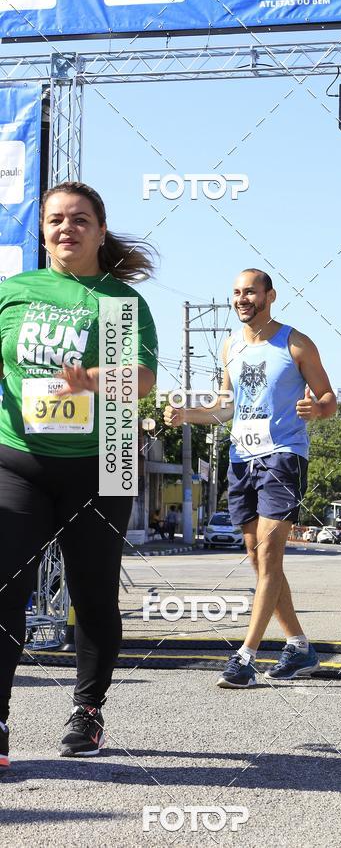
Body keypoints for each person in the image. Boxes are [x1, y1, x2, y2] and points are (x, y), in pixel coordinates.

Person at [0, 182, 158, 768]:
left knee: (93, 594)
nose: (67, 228)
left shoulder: (117, 300)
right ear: (42, 230)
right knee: (5, 588)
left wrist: (93, 379)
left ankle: (88, 709)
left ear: (100, 229)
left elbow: (142, 380)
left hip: (102, 460)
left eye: (80, 219)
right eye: (56, 220)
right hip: (19, 457)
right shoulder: (14, 292)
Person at [165, 268, 336, 688]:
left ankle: (245, 657)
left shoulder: (295, 343)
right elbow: (226, 407)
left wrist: (318, 409)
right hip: (241, 458)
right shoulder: (231, 346)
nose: (242, 299)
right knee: (259, 561)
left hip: (283, 457)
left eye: (251, 292)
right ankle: (299, 646)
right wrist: (187, 415)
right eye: (236, 293)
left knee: (269, 556)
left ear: (270, 296)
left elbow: (329, 399)